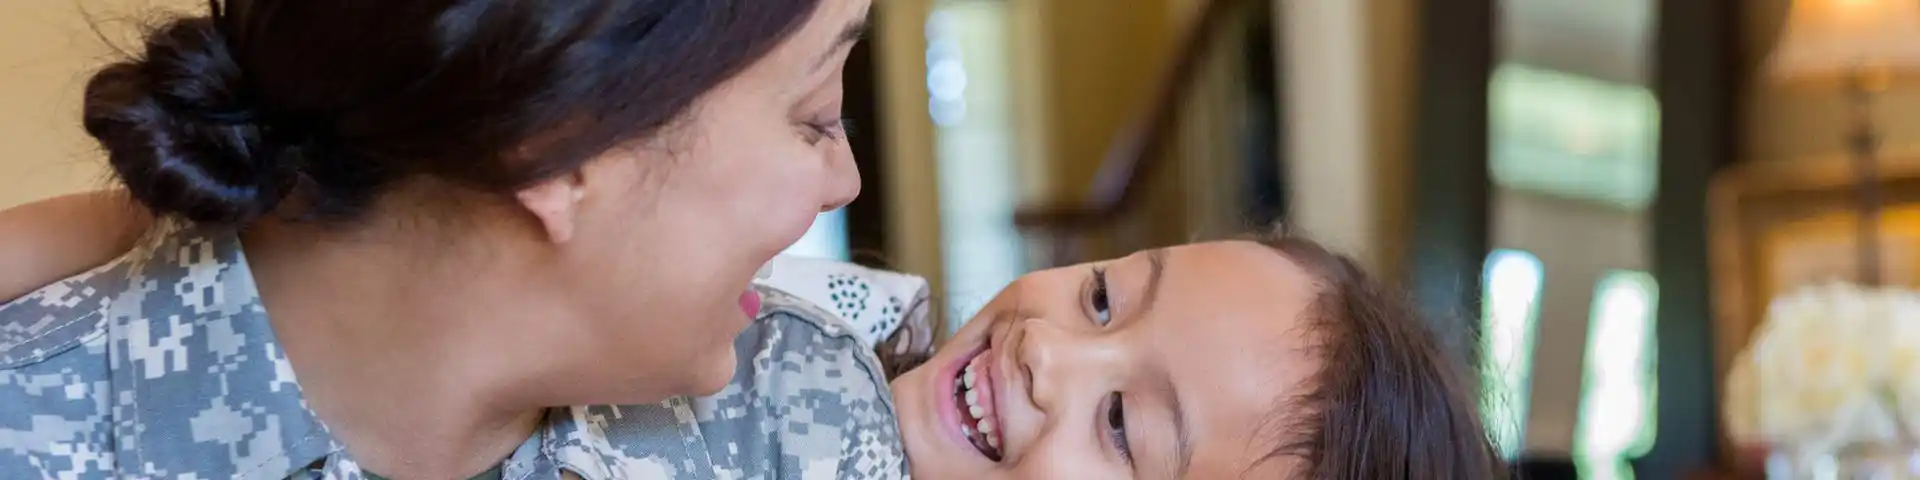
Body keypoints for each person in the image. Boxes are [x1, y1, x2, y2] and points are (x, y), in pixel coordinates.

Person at [3, 189, 1504, 478]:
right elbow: (225, 215)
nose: (1056, 348)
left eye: (1127, 429)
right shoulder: (841, 315)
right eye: (1109, 294)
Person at [0, 0, 895, 478]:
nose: (846, 181)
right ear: (561, 144)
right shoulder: (32, 434)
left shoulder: (797, 408)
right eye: (816, 117)